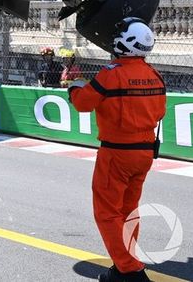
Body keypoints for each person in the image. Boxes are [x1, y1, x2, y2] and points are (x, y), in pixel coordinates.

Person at [68, 18, 166, 282]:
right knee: (128, 210)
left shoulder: (111, 74)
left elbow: (83, 104)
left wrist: (74, 87)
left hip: (116, 153)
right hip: (144, 154)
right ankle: (122, 267)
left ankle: (130, 269)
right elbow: (160, 112)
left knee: (107, 212)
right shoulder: (155, 76)